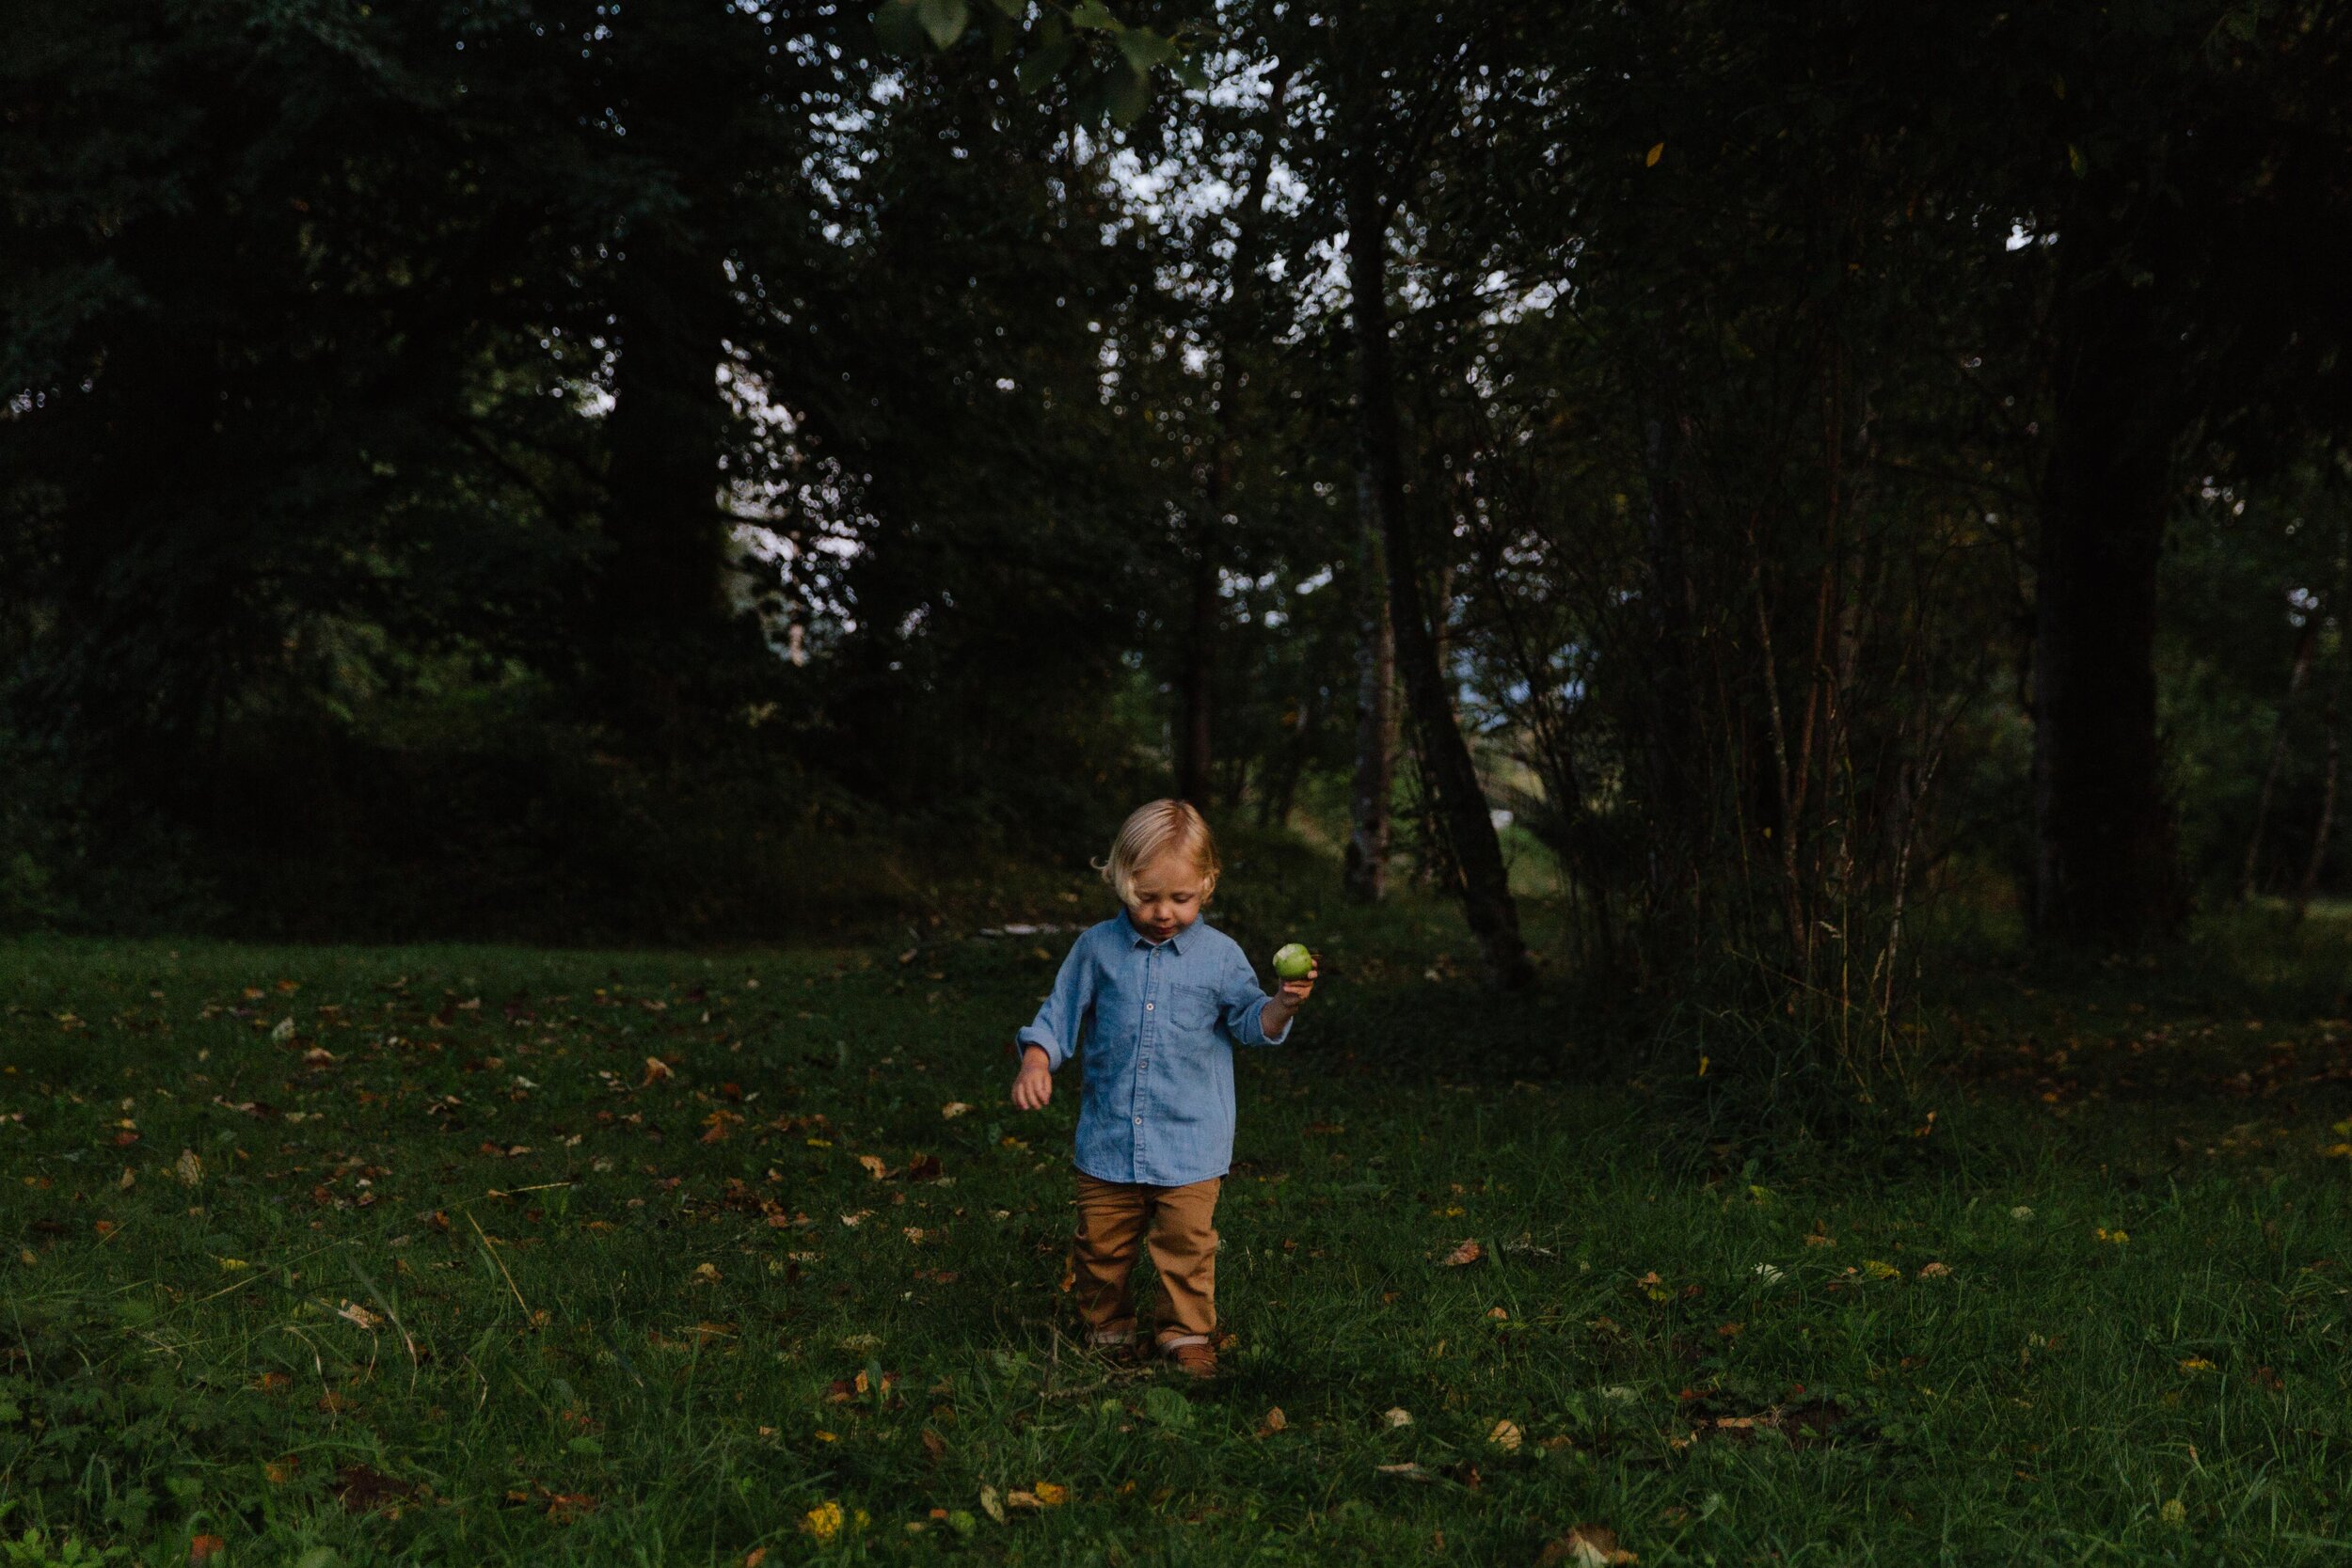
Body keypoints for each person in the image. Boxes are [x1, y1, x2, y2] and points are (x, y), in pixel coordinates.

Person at [1009, 800, 1315, 1379]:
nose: (1164, 912)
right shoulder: (1096, 949)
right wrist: (1036, 1058)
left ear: (1207, 883)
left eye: (1181, 898)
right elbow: (1058, 1014)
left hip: (1192, 1141)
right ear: (1120, 881)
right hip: (1109, 1137)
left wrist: (1280, 1005)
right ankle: (1108, 1327)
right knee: (1101, 1244)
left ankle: (1185, 1333)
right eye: (1146, 897)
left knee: (1186, 1244)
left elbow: (1251, 1025)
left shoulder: (1221, 956)